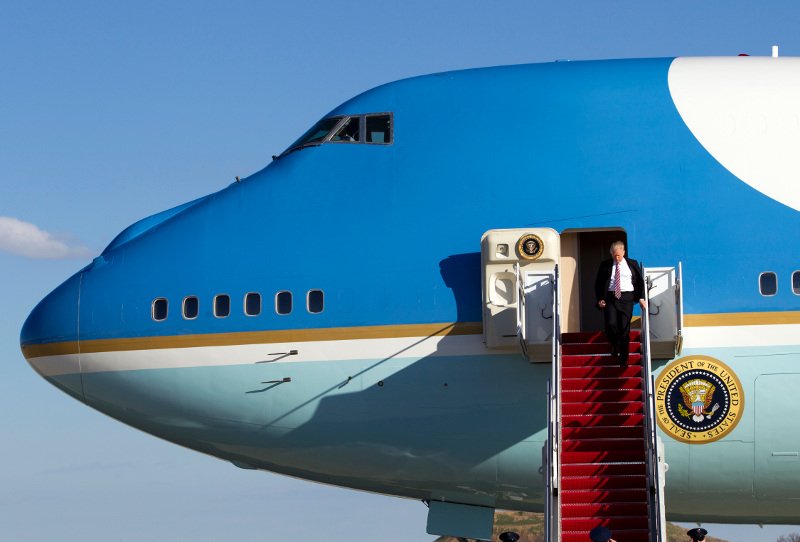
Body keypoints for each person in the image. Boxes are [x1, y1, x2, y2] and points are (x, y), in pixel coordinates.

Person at [594, 240, 646, 366]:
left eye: (619, 255)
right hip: (610, 297)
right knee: (610, 324)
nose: (617, 258)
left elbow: (640, 282)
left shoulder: (632, 264)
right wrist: (600, 299)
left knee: (624, 328)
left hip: (627, 297)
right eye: (614, 255)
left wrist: (641, 298)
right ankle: (614, 344)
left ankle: (624, 359)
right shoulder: (605, 265)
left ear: (623, 252)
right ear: (611, 254)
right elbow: (599, 283)